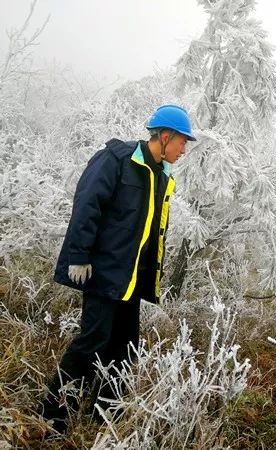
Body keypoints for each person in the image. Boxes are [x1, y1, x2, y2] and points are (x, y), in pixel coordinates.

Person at [40, 104, 196, 434]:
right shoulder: (117, 160)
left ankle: (105, 411)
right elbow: (87, 204)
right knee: (92, 341)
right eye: (183, 141)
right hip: (103, 272)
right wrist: (78, 256)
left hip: (131, 279)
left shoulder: (159, 174)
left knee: (125, 348)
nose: (184, 149)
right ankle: (52, 412)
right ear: (165, 136)